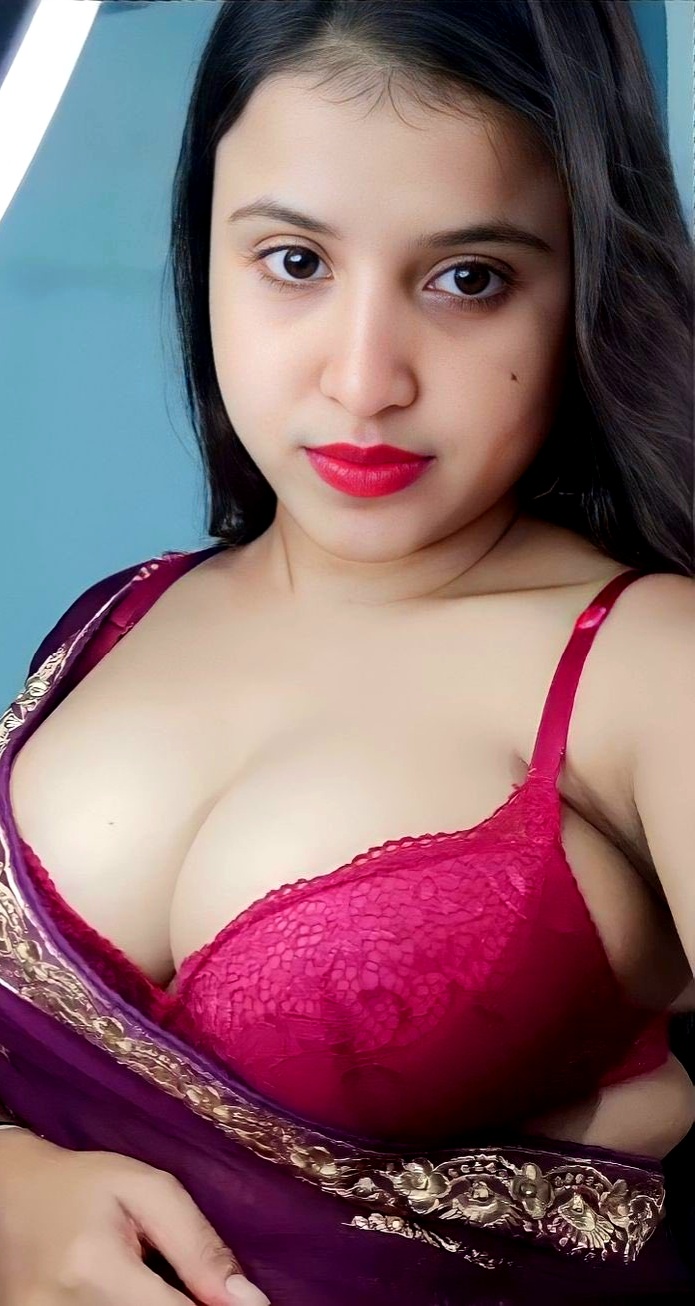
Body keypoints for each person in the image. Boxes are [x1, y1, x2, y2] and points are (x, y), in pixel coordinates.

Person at [0, 1, 693, 1301]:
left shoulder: (654, 671)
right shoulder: (115, 620)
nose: (365, 379)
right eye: (295, 262)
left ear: (586, 282)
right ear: (204, 250)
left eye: (469, 279)